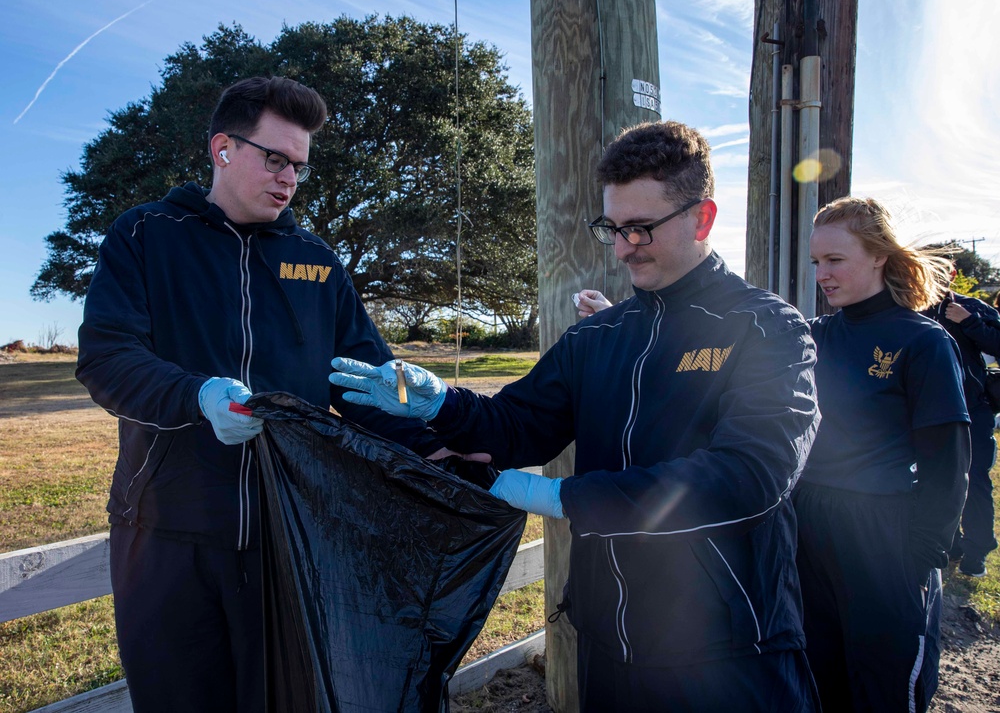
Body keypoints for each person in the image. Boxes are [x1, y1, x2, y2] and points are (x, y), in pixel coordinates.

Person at [330, 121, 822, 711]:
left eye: (641, 228)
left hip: (729, 646)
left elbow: (750, 476)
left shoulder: (767, 328)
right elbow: (516, 426)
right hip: (607, 637)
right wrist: (439, 402)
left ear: (702, 218)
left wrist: (565, 499)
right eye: (612, 228)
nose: (621, 248)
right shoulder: (598, 336)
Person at [76, 76, 450, 713]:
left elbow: (362, 387)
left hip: (291, 536)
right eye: (274, 158)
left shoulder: (317, 260)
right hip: (166, 536)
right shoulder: (145, 236)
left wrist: (438, 449)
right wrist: (198, 397)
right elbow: (106, 360)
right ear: (223, 147)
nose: (289, 179)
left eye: (299, 166)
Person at [798, 196, 971, 712]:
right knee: (819, 674)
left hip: (884, 533)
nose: (823, 275)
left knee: (885, 682)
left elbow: (948, 462)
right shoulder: (812, 336)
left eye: (835, 260)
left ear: (878, 255)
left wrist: (922, 554)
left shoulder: (922, 342)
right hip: (808, 526)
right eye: (816, 263)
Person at [923, 281, 1000, 577]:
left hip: (972, 410)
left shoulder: (971, 308)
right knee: (938, 479)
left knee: (976, 481)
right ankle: (950, 544)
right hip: (929, 412)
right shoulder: (911, 306)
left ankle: (977, 551)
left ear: (951, 274)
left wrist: (969, 322)